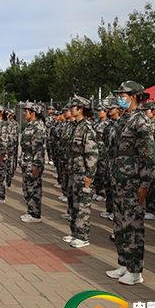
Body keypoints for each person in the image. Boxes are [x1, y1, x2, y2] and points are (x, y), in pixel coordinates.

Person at [105, 81, 155, 286]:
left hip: (133, 183)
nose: (120, 98)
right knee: (119, 225)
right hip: (119, 181)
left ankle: (135, 271)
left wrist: (145, 183)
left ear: (134, 96)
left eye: (123, 95)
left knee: (133, 226)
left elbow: (149, 156)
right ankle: (124, 263)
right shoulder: (122, 120)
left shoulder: (141, 121)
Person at [63, 96, 98, 248]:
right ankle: (74, 232)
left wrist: (89, 174)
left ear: (80, 109)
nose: (70, 109)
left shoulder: (87, 128)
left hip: (83, 172)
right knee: (73, 203)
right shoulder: (76, 126)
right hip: (74, 172)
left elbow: (92, 153)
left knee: (82, 204)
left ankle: (83, 236)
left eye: (73, 107)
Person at [19, 102, 47, 223]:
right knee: (27, 188)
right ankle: (30, 211)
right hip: (27, 162)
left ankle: (35, 214)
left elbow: (39, 149)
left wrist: (36, 165)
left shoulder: (38, 127)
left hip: (33, 163)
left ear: (33, 113)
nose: (24, 113)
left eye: (26, 111)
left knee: (34, 188)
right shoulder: (30, 125)